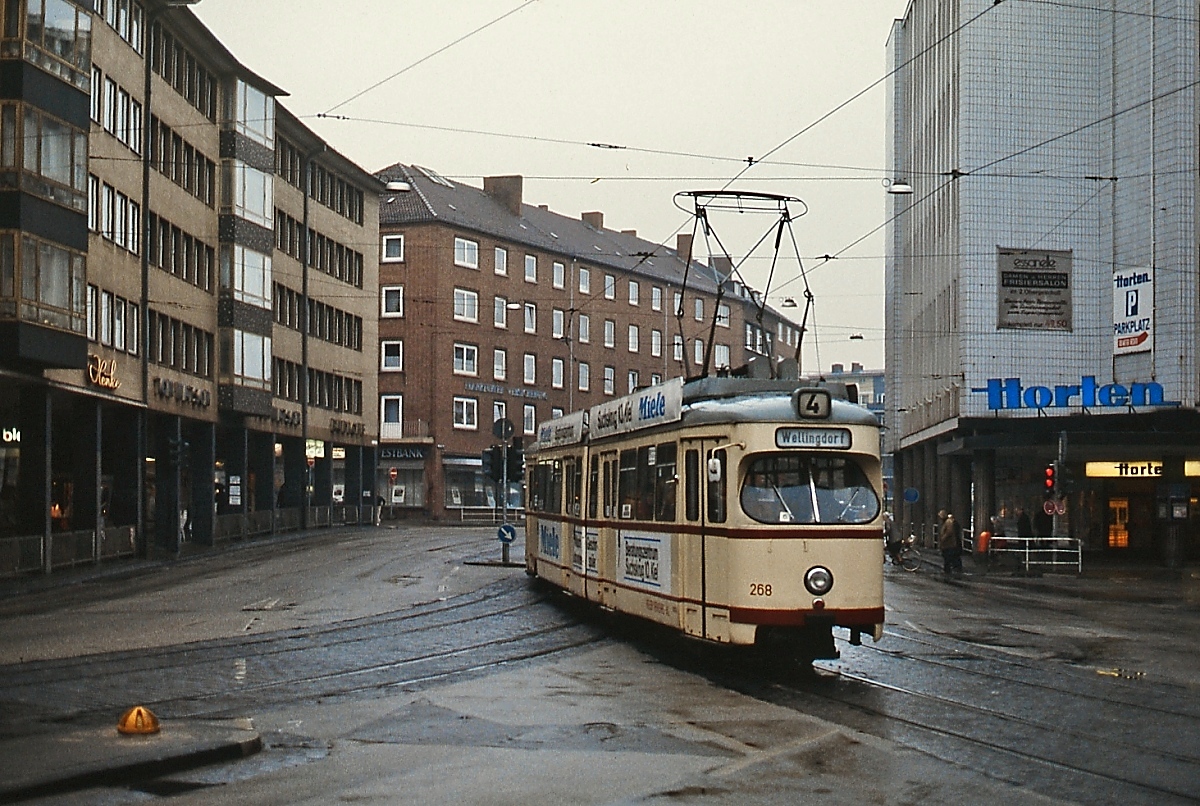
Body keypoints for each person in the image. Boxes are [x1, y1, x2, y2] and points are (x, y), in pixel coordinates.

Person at [938, 509, 963, 578]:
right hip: (948, 543)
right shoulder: (946, 522)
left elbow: (949, 532)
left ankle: (948, 570)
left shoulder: (948, 522)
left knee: (948, 556)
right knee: (948, 556)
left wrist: (943, 538)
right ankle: (949, 569)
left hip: (949, 543)